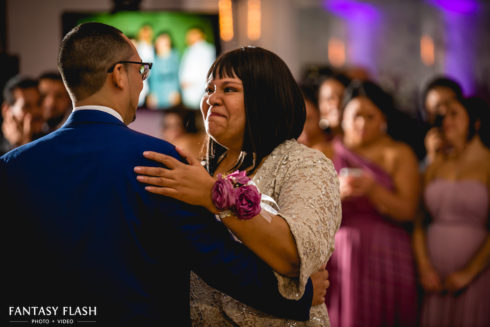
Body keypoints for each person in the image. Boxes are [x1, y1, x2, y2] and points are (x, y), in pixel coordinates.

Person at [0, 23, 328, 326]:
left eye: (227, 89)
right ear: (118, 75)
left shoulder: (11, 166)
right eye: (141, 70)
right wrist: (300, 298)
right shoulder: (157, 160)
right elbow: (219, 262)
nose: (144, 81)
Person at [135, 46, 342, 326]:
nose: (212, 99)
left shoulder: (304, 164)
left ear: (266, 98)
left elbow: (295, 256)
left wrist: (213, 196)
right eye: (208, 90)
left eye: (229, 89)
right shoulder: (198, 171)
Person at [326, 80, 420, 327]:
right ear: (342, 118)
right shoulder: (326, 154)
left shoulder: (398, 154)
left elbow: (409, 211)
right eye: (356, 115)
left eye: (371, 116)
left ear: (383, 119)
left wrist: (374, 190)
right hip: (341, 255)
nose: (362, 124)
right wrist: (338, 195)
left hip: (388, 253)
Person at [413, 96, 490, 326]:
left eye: (454, 114)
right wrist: (425, 267)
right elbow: (419, 224)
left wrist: (469, 273)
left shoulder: (487, 164)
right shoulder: (435, 165)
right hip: (435, 280)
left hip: (476, 276)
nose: (447, 120)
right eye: (443, 115)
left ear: (475, 122)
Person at [420, 76, 464, 168]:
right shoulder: (426, 145)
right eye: (437, 107)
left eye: (448, 104)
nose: (443, 111)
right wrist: (432, 158)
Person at [0, 75, 44, 155]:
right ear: (6, 110)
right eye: (27, 106)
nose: (36, 111)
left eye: (39, 104)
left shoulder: (51, 142)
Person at [179, 26, 215, 109]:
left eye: (192, 34)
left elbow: (206, 72)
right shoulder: (190, 49)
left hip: (199, 94)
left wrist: (190, 83)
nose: (189, 37)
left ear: (201, 35)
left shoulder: (207, 50)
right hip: (190, 97)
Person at [298, 83, 333, 159]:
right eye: (297, 121)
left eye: (308, 119)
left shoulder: (335, 147)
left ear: (320, 113)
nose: (304, 126)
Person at [147, 31, 181, 109]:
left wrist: (177, 92)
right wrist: (150, 94)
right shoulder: (152, 58)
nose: (161, 46)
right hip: (156, 99)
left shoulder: (175, 56)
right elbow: (150, 79)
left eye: (165, 43)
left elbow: (179, 76)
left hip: (172, 98)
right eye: (159, 43)